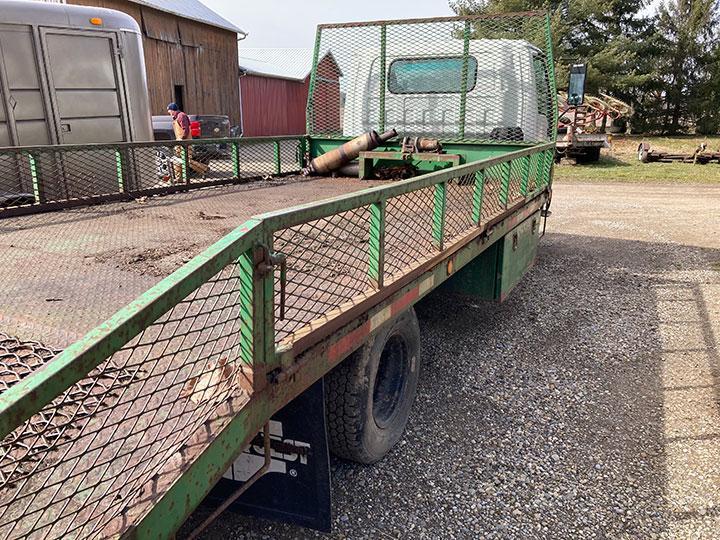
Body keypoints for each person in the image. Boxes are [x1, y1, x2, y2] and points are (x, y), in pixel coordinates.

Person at [167, 102, 208, 180]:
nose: (169, 113)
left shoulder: (181, 116)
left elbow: (186, 130)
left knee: (186, 161)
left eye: (169, 111)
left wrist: (182, 139)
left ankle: (204, 169)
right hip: (179, 143)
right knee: (177, 160)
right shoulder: (176, 117)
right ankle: (179, 178)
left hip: (185, 143)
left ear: (172, 110)